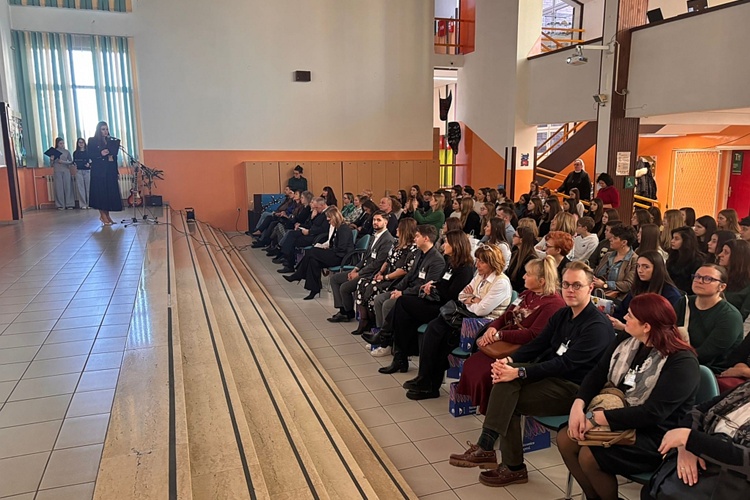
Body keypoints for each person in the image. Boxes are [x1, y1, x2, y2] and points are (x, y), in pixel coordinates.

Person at [448, 261, 614, 487]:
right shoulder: (563, 314)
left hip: (575, 389)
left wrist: (520, 371)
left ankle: (507, 462)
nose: (570, 290)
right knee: (504, 382)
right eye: (566, 284)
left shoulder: (597, 326)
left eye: (577, 285)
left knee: (509, 398)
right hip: (551, 376)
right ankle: (493, 452)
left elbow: (565, 365)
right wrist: (508, 361)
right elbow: (538, 344)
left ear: (590, 288)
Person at [558, 294, 699, 500]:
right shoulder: (627, 339)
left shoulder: (682, 362)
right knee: (565, 439)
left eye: (630, 316)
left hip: (658, 435)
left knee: (590, 456)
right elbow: (598, 373)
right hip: (619, 414)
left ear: (647, 327)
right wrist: (578, 406)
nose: (624, 317)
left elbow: (652, 414)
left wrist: (594, 419)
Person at [399, 243, 513, 399]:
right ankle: (424, 378)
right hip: (466, 316)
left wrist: (471, 299)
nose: (477, 265)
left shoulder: (501, 282)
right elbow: (461, 295)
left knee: (443, 338)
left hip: (483, 325)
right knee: (433, 328)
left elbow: (481, 311)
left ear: (492, 263)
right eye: (477, 260)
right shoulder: (480, 276)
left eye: (482, 262)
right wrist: (474, 299)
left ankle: (430, 384)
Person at [458, 256, 565, 414]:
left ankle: (493, 412)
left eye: (528, 274)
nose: (523, 276)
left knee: (486, 373)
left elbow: (533, 335)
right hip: (504, 340)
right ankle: (485, 407)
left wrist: (500, 335)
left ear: (541, 281)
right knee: (471, 364)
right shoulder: (526, 294)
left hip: (524, 350)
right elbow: (505, 316)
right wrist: (492, 329)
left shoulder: (554, 304)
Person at [377, 231, 477, 366]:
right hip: (436, 301)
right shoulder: (450, 262)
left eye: (447, 242)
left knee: (403, 304)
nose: (443, 245)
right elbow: (442, 283)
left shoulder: (465, 269)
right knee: (403, 312)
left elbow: (452, 296)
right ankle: (398, 355)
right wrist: (433, 284)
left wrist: (434, 288)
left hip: (445, 309)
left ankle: (389, 342)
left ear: (456, 245)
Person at [647, 381, 750, 499]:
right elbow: (698, 410)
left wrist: (692, 440)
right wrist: (686, 446)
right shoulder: (746, 388)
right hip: (692, 470)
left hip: (728, 485)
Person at [366, 224, 444, 341]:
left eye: (417, 236)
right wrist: (398, 289)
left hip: (418, 294)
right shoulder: (419, 253)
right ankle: (380, 333)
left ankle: (386, 341)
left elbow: (424, 286)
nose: (414, 239)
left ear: (426, 239)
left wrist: (403, 293)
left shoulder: (437, 260)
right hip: (408, 289)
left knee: (388, 304)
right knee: (379, 299)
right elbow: (410, 275)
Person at [674, 264, 743, 373]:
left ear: (722, 287)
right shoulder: (684, 302)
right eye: (697, 276)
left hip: (711, 371)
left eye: (708, 279)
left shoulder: (730, 316)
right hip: (682, 362)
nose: (699, 281)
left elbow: (706, 354)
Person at [328, 210, 395, 322]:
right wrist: (355, 269)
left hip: (372, 273)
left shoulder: (388, 240)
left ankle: (347, 312)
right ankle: (343, 310)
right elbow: (366, 257)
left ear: (386, 222)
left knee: (345, 287)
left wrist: (359, 274)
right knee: (335, 279)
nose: (375, 222)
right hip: (363, 269)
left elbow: (378, 263)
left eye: (379, 220)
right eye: (374, 220)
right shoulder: (374, 236)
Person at [353, 218, 417, 335]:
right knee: (362, 283)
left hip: (397, 280)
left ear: (405, 230)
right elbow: (387, 260)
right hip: (387, 274)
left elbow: (404, 270)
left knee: (372, 287)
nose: (396, 229)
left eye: (399, 228)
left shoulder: (413, 248)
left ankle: (374, 322)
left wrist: (385, 277)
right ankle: (365, 320)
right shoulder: (396, 243)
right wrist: (380, 272)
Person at [283, 206, 354, 299]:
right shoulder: (337, 228)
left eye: (329, 219)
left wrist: (327, 250)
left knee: (312, 251)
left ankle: (298, 274)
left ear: (335, 217)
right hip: (335, 253)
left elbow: (342, 248)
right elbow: (332, 243)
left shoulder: (344, 229)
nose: (328, 221)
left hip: (341, 257)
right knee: (313, 261)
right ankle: (314, 289)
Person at [609, 251, 683, 328]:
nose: (640, 270)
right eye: (638, 266)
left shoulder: (671, 294)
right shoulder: (639, 287)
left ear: (657, 269)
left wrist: (624, 327)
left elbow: (666, 328)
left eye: (646, 267)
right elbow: (621, 311)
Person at [275, 197, 329, 273]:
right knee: (291, 234)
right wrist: (304, 223)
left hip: (316, 237)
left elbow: (323, 229)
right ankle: (287, 260)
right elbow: (312, 225)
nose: (315, 209)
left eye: (316, 207)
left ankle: (287, 260)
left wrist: (309, 231)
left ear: (322, 205)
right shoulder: (318, 212)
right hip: (311, 232)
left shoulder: (328, 214)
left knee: (292, 240)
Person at [87, 121, 122, 225]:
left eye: (106, 129)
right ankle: (102, 215)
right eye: (103, 129)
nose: (105, 131)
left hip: (109, 171)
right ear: (99, 130)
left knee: (108, 194)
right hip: (98, 172)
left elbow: (114, 157)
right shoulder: (92, 141)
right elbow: (89, 154)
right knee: (100, 194)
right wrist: (100, 153)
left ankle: (107, 215)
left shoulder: (111, 141)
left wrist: (116, 172)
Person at [593, 225, 637, 300]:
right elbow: (597, 272)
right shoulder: (608, 255)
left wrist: (605, 285)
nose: (611, 240)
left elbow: (628, 285)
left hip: (618, 299)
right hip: (597, 294)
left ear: (624, 242)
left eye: (615, 238)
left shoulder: (634, 260)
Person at [717, 238, 750, 320]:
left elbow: (743, 316)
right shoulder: (719, 276)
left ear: (738, 257)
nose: (720, 255)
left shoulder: (747, 286)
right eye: (722, 251)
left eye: (726, 252)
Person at [666, 226, 705, 294]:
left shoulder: (697, 260)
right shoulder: (673, 256)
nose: (672, 241)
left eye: (676, 239)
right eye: (673, 238)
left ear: (686, 241)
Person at [507, 226, 538, 292]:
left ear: (521, 240)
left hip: (519, 291)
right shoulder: (515, 253)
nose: (513, 237)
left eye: (515, 235)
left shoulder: (531, 259)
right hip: (509, 288)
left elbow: (523, 282)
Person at [72, 137, 91, 210]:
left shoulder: (88, 152)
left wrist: (89, 164)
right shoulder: (75, 153)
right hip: (79, 171)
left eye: (82, 142)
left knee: (88, 187)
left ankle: (90, 203)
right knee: (80, 188)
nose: (81, 144)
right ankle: (83, 204)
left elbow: (91, 160)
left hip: (87, 171)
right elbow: (74, 161)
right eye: (79, 142)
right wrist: (75, 164)